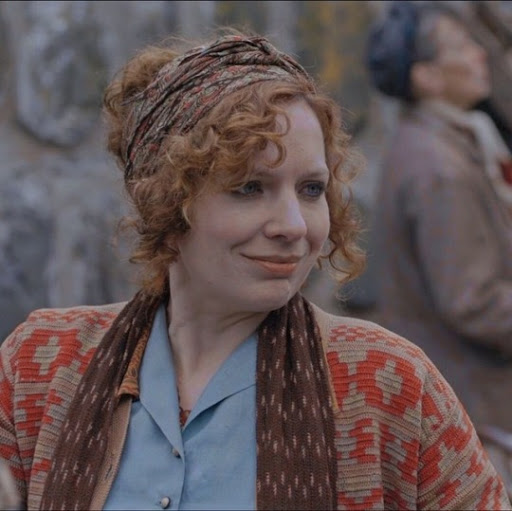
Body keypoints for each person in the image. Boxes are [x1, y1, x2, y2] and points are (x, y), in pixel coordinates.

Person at [0, 30, 510, 511]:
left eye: (311, 189)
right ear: (167, 203)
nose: (293, 225)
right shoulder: (41, 366)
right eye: (249, 188)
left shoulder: (386, 382)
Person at [367, 0, 512, 491]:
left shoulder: (441, 144)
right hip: (474, 414)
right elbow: (473, 302)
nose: (479, 54)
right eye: (461, 47)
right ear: (426, 76)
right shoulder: (439, 168)